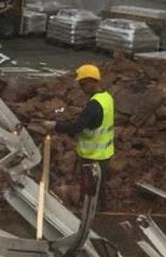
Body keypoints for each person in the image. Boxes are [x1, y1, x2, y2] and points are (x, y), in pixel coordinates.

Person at [35, 63, 115, 209]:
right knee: (99, 189)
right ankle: (101, 212)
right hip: (105, 154)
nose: (81, 87)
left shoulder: (94, 105)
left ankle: (91, 217)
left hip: (93, 156)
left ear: (92, 81)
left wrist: (54, 126)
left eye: (83, 84)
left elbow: (77, 127)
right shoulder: (106, 97)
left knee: (90, 190)